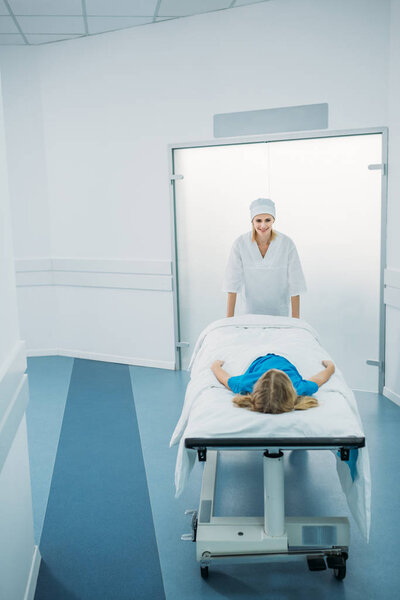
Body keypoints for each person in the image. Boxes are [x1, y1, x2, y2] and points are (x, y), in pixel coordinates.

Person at [224, 198, 306, 318]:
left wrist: (295, 322)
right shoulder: (240, 244)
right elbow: (232, 284)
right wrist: (229, 321)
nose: (263, 225)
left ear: (273, 220)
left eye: (267, 220)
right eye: (258, 220)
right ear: (252, 221)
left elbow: (295, 285)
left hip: (279, 316)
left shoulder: (286, 244)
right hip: (249, 316)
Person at [211, 355, 335, 414]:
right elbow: (320, 378)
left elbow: (224, 377)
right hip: (283, 357)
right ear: (289, 391)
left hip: (260, 358)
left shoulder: (246, 383)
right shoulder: (298, 387)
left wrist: (216, 364)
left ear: (256, 387)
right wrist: (330, 366)